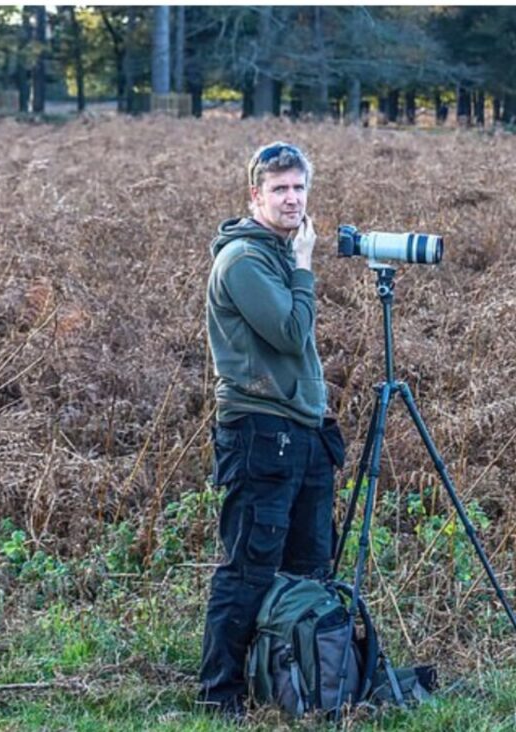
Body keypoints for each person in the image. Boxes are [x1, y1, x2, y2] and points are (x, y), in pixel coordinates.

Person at [198, 141, 345, 716]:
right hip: (260, 431)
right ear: (254, 196)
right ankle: (220, 696)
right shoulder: (244, 260)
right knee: (249, 566)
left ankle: (294, 683)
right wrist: (306, 268)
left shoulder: (279, 253)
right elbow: (289, 332)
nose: (292, 198)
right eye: (280, 189)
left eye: (299, 188)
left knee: (309, 564)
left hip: (302, 428)